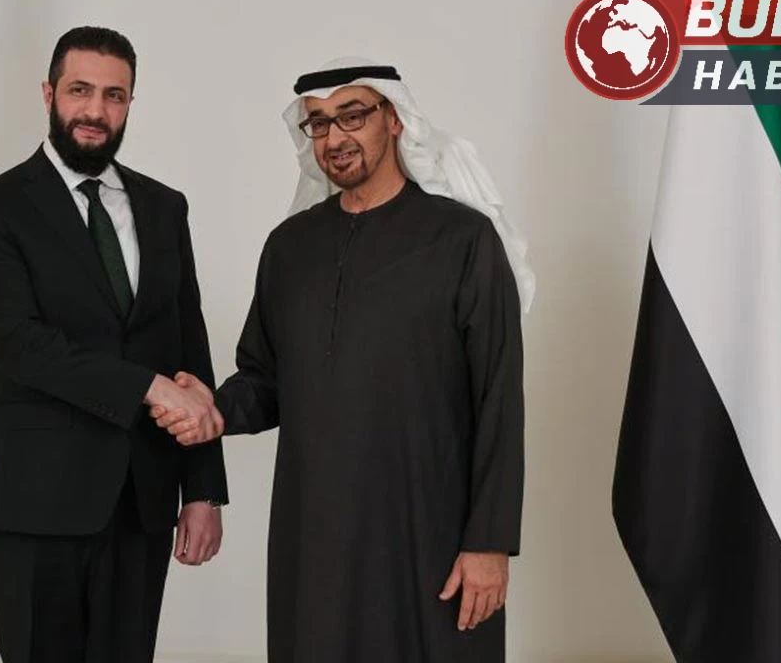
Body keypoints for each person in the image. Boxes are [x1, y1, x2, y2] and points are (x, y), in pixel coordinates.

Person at [154, 58, 535, 662]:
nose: (335, 137)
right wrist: (213, 409)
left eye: (352, 116)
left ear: (394, 119)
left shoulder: (463, 239)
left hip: (430, 530)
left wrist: (489, 543)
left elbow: (499, 397)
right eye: (320, 123)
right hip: (317, 534)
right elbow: (266, 380)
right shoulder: (290, 247)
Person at [0, 26, 228, 663]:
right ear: (49, 93)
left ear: (130, 104)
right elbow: (20, 343)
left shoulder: (165, 208)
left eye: (114, 95)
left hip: (143, 502)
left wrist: (204, 490)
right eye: (80, 90)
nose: (95, 110)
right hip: (35, 504)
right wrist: (148, 388)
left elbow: (191, 353)